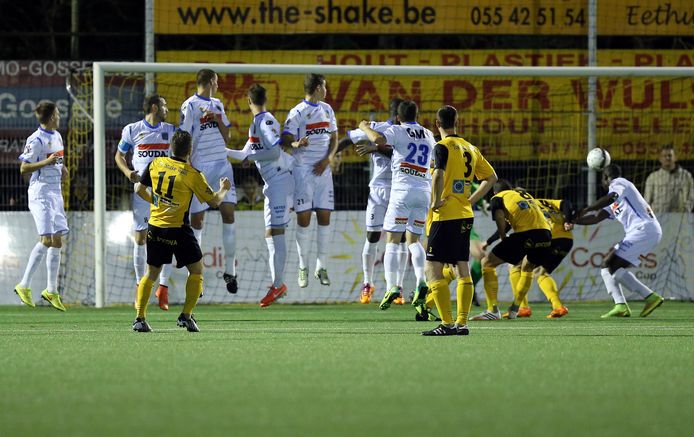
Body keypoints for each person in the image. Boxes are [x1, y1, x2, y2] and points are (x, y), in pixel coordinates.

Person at [132, 130, 232, 332]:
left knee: (151, 273)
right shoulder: (191, 174)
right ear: (190, 150)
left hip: (156, 226)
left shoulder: (156, 164)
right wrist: (224, 189)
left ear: (171, 147)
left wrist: (156, 201)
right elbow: (213, 201)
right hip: (178, 229)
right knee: (196, 270)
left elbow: (137, 189)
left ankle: (139, 319)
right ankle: (186, 315)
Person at [420, 105, 497, 336]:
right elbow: (492, 177)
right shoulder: (470, 148)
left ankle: (446, 324)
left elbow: (439, 175)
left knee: (432, 270)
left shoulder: (441, 147)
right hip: (464, 215)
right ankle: (462, 324)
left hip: (444, 216)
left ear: (437, 124)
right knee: (461, 268)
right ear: (457, 122)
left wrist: (435, 202)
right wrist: (469, 200)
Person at [359, 100, 436, 310]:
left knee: (392, 241)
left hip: (401, 191)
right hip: (424, 191)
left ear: (399, 118)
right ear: (417, 115)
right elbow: (434, 162)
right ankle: (421, 281)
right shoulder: (429, 134)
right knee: (414, 241)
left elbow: (380, 139)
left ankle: (392, 286)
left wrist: (365, 127)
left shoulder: (397, 130)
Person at [226, 84, 295, 307]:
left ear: (248, 101)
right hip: (271, 183)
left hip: (281, 180)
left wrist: (253, 157)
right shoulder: (255, 124)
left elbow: (275, 151)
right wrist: (221, 150)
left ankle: (278, 284)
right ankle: (277, 283)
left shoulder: (265, 121)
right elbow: (243, 155)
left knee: (277, 232)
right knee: (270, 234)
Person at [339, 98, 409, 305]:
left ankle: (398, 287)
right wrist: (331, 156)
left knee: (401, 238)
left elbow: (398, 152)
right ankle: (368, 284)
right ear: (396, 115)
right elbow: (348, 138)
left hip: (399, 189)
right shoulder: (377, 129)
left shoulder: (409, 133)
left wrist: (375, 148)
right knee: (372, 236)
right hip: (378, 189)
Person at [573, 164, 665, 318]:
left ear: (605, 178)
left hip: (644, 229)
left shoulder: (619, 183)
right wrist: (574, 220)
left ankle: (650, 297)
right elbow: (596, 218)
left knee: (611, 265)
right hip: (641, 232)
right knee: (607, 267)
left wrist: (587, 208)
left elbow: (612, 197)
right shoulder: (617, 200)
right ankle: (621, 305)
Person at [179, 68, 239, 294]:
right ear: (211, 81)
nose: (218, 85)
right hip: (201, 168)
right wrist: (186, 168)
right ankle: (195, 276)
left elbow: (228, 136)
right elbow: (183, 137)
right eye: (217, 81)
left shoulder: (218, 104)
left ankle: (230, 271)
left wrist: (217, 118)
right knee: (197, 221)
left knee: (229, 214)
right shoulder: (190, 105)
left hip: (223, 165)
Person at [115, 94, 175, 310]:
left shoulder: (171, 130)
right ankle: (140, 286)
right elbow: (119, 156)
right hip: (142, 190)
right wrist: (128, 172)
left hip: (165, 190)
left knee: (167, 238)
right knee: (141, 237)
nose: (167, 108)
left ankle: (162, 288)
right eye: (164, 104)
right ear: (154, 107)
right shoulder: (132, 130)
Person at [281, 73, 338, 289]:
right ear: (316, 88)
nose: (326, 90)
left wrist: (328, 159)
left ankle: (321, 266)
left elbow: (334, 138)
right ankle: (303, 266)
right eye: (324, 86)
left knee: (324, 216)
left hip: (323, 170)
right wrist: (296, 143)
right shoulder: (298, 112)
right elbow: (285, 138)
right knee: (304, 218)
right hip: (303, 170)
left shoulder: (327, 109)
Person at [14, 101, 68, 311]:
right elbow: (23, 167)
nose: (60, 116)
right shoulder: (35, 139)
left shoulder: (57, 135)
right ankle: (24, 285)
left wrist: (62, 168)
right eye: (58, 113)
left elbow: (58, 158)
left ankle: (51, 290)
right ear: (52, 116)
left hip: (56, 191)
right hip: (41, 192)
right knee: (46, 239)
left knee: (57, 240)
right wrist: (46, 163)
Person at [472, 181, 552, 320]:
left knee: (487, 262)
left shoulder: (498, 197)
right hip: (546, 235)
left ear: (495, 192)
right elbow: (513, 221)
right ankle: (515, 309)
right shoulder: (524, 195)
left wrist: (503, 237)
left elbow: (499, 217)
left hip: (526, 234)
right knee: (526, 267)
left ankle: (492, 310)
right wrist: (492, 240)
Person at [490, 197, 573, 319]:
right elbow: (566, 202)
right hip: (566, 240)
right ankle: (558, 306)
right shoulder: (545, 202)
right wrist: (568, 220)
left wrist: (488, 242)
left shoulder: (524, 205)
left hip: (548, 236)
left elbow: (506, 225)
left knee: (514, 265)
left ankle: (522, 307)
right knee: (540, 272)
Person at [643, 145, 694, 213]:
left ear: (675, 157)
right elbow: (647, 200)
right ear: (660, 159)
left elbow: (691, 197)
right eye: (664, 156)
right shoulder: (652, 177)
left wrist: (685, 212)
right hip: (658, 217)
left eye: (670, 155)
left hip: (679, 218)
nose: (667, 158)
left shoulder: (686, 176)